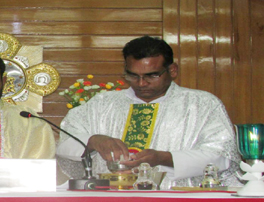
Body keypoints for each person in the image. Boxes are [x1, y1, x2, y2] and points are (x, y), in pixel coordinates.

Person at [56, 36, 241, 188]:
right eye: (133, 76)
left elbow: (221, 156)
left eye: (152, 75)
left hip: (177, 200)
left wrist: (164, 158)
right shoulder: (102, 104)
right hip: (111, 198)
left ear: (172, 70)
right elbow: (64, 143)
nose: (142, 83)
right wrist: (92, 141)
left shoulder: (202, 104)